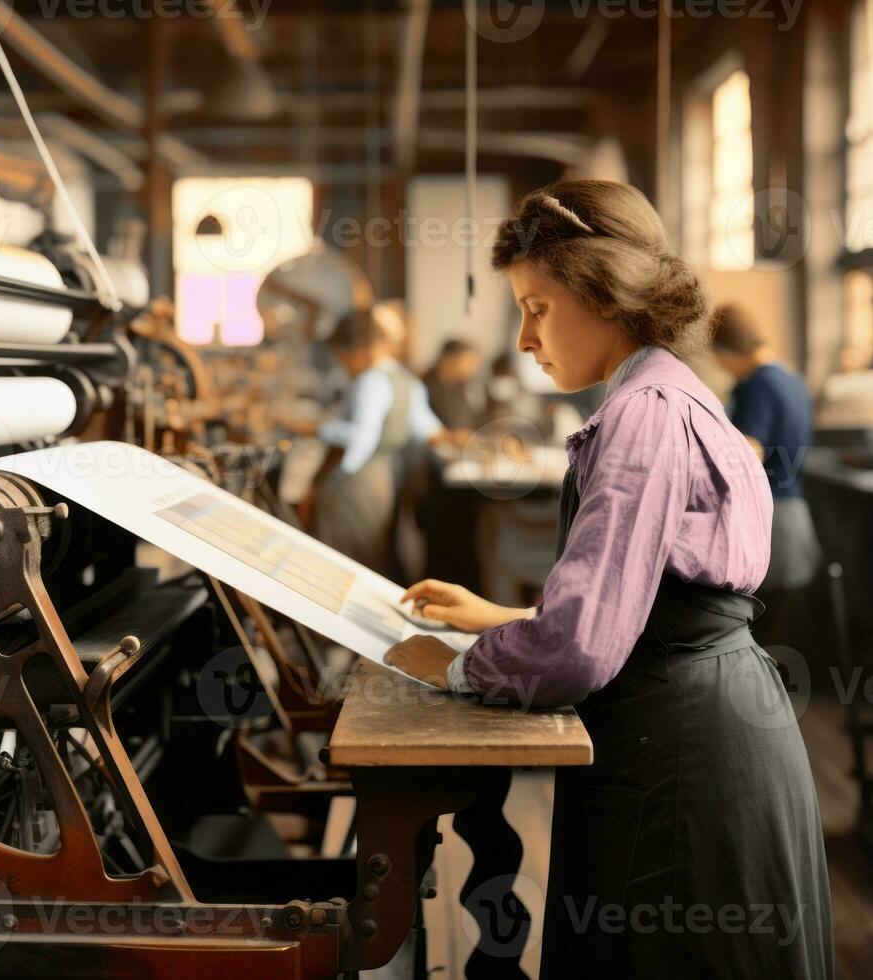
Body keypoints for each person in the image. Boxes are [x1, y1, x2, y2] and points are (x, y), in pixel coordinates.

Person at [384, 180, 833, 978]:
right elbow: (650, 598)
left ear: (604, 294)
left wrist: (453, 667)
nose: (524, 337)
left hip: (680, 755)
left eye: (536, 306)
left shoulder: (641, 414)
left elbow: (583, 647)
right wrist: (499, 615)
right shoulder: (673, 392)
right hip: (709, 720)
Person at [303, 304, 446, 575]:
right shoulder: (405, 379)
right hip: (384, 478)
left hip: (358, 479)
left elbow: (361, 438)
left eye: (343, 355)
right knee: (372, 556)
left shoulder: (369, 381)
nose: (343, 363)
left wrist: (330, 475)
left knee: (345, 562)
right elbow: (428, 431)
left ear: (358, 347)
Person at [712, 304, 822, 644]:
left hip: (768, 523)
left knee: (754, 640)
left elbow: (748, 451)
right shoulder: (791, 378)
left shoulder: (757, 384)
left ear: (726, 351)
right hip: (795, 519)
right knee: (777, 637)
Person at [427, 339, 483, 439]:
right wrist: (451, 437)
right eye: (467, 362)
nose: (472, 368)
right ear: (449, 359)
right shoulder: (424, 386)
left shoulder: (463, 387)